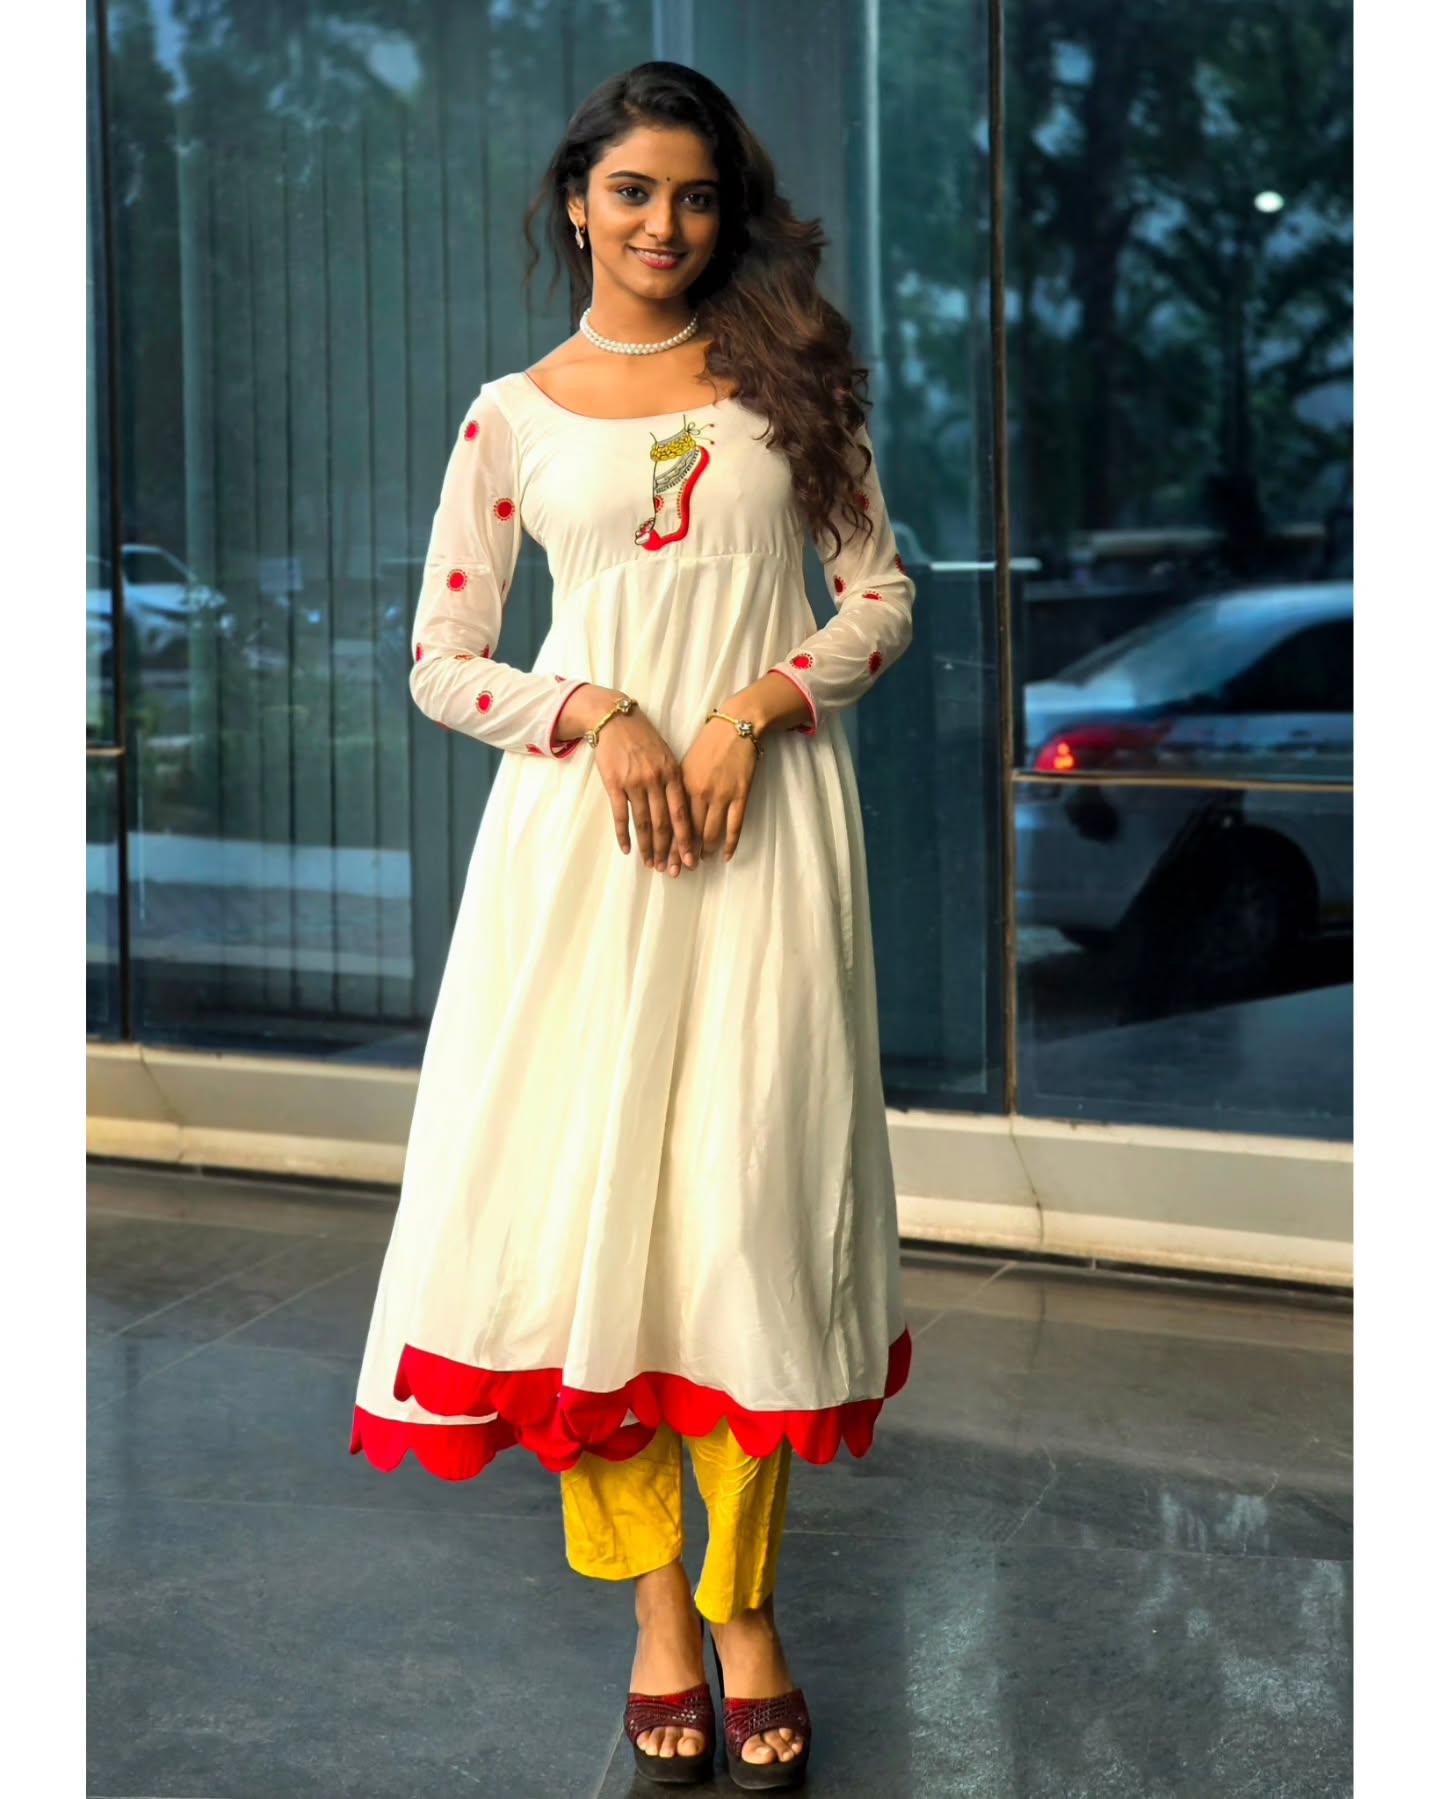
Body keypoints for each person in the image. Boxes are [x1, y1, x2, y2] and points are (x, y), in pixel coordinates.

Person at [350, 60, 916, 1790]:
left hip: (766, 846)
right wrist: (596, 712)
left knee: (744, 1222)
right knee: (595, 1226)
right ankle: (661, 1611)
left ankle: (748, 1609)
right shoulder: (510, 417)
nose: (663, 224)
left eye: (694, 195)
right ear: (576, 203)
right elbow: (443, 660)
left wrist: (750, 712)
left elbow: (880, 597)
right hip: (581, 862)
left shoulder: (789, 388)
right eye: (631, 191)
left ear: (724, 214)